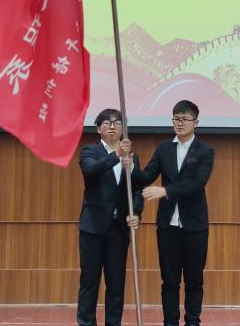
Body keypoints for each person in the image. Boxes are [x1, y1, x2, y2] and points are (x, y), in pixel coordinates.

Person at [131, 100, 214, 326]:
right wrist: (130, 166)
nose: (180, 123)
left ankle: (193, 322)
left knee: (194, 280)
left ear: (196, 122)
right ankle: (170, 322)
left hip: (195, 226)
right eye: (176, 119)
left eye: (185, 119)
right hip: (168, 226)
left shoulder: (205, 151)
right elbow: (146, 177)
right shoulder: (164, 149)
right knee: (169, 281)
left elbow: (197, 184)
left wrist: (166, 191)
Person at [77, 108, 143, 326]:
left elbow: (137, 189)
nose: (112, 126)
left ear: (123, 128)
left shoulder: (132, 157)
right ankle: (86, 323)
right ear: (99, 129)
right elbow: (91, 171)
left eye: (117, 122)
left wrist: (136, 212)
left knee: (116, 283)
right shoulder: (89, 152)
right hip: (93, 228)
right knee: (90, 281)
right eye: (107, 123)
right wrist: (116, 155)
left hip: (119, 229)